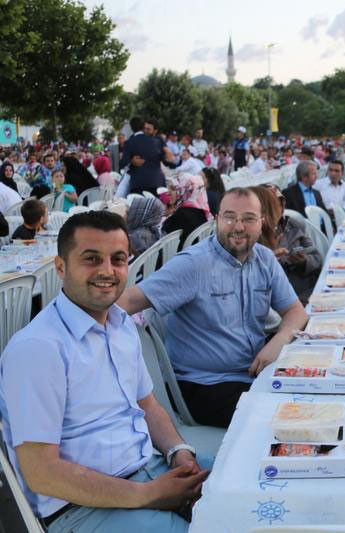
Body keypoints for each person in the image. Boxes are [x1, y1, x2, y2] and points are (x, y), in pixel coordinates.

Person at [0, 211, 209, 531]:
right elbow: (40, 471)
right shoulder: (39, 348)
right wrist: (148, 494)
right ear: (60, 267)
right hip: (82, 510)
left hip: (148, 471)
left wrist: (178, 451)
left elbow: (147, 404)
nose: (107, 271)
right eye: (91, 259)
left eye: (118, 259)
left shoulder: (121, 324)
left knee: (250, 488)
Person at [117, 188, 308, 428]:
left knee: (309, 397)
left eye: (248, 218)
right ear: (216, 220)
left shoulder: (264, 259)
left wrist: (279, 341)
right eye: (229, 217)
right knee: (285, 418)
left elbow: (295, 311)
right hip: (204, 386)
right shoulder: (194, 264)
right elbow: (130, 301)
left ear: (261, 222)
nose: (238, 226)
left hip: (252, 375)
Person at [255, 185, 322, 305]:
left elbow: (316, 256)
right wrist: (274, 257)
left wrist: (304, 261)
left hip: (307, 288)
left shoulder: (292, 225)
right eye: (273, 205)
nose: (278, 208)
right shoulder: (254, 234)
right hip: (280, 299)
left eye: (280, 203)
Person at [121, 117, 172, 196]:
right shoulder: (157, 141)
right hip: (158, 182)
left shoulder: (129, 142)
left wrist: (131, 161)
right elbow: (165, 159)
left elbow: (123, 163)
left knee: (139, 207)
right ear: (143, 127)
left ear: (131, 127)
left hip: (138, 184)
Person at [162, 174, 211, 250]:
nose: (168, 193)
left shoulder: (181, 215)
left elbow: (162, 239)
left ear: (185, 190)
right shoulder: (202, 211)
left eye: (173, 189)